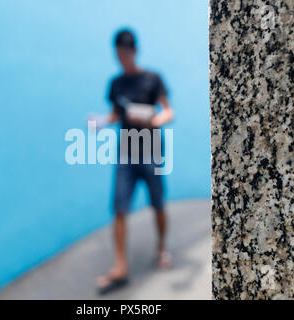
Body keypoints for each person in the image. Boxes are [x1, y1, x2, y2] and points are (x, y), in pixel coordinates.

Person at [94, 29, 174, 295]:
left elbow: (168, 111)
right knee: (119, 208)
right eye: (118, 54)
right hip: (126, 154)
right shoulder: (115, 84)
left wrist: (153, 120)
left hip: (151, 150)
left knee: (158, 204)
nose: (122, 59)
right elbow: (116, 114)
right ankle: (120, 266)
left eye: (126, 53)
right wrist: (103, 121)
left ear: (134, 51)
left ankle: (161, 248)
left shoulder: (152, 79)